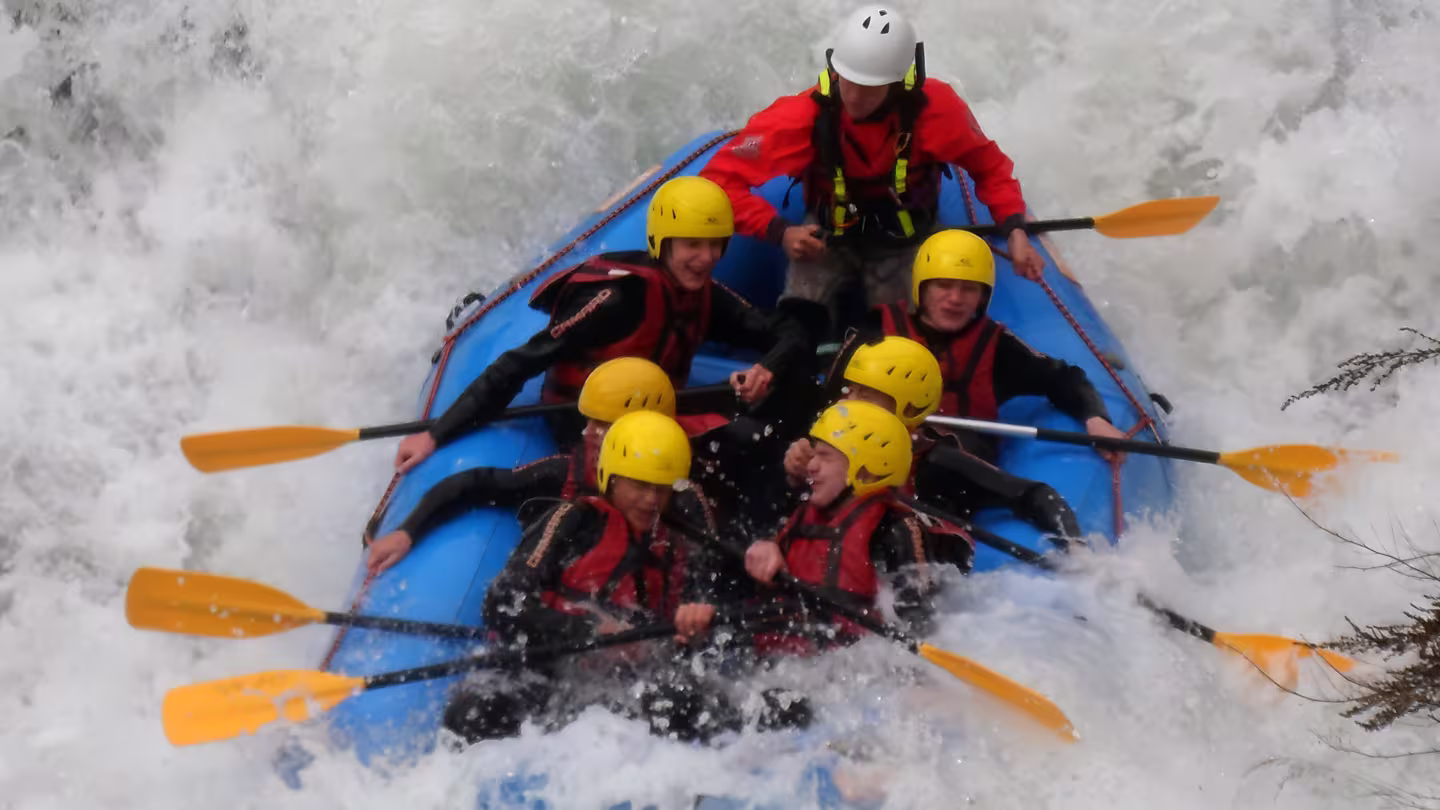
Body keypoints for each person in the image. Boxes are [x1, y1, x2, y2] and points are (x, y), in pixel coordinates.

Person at [394, 176, 814, 473]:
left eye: (714, 246)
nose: (705, 258)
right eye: (691, 245)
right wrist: (435, 434)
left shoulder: (705, 295)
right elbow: (520, 363)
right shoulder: (616, 301)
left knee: (776, 423)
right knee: (749, 444)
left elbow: (786, 333)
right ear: (662, 242)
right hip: (587, 425)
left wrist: (769, 367)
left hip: (654, 414)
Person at [700, 5, 1045, 340]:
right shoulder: (802, 116)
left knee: (897, 341)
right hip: (824, 240)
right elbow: (717, 182)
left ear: (897, 84)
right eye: (847, 80)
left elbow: (991, 170)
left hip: (903, 243)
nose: (852, 94)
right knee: (797, 328)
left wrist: (1014, 228)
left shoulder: (938, 110)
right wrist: (780, 231)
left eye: (867, 86)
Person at [443, 410, 742, 744]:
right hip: (542, 672)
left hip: (624, 688)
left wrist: (693, 631)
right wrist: (589, 633)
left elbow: (696, 635)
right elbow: (500, 602)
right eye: (640, 485)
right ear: (612, 479)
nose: (651, 500)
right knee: (472, 713)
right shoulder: (573, 520)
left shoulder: (681, 544)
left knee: (688, 706)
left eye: (662, 489)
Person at [863, 228, 1128, 537]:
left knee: (935, 469)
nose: (955, 299)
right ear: (921, 288)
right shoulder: (878, 330)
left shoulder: (998, 348)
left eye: (968, 289)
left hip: (952, 466)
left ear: (983, 296)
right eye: (943, 286)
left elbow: (1063, 377)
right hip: (876, 449)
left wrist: (1096, 418)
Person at [366, 357, 723, 576]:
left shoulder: (685, 492)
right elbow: (476, 484)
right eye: (591, 422)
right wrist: (408, 531)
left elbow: (713, 573)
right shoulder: (565, 474)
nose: (590, 433)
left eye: (603, 425)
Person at [743, 401, 967, 652]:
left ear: (866, 471)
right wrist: (768, 546)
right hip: (793, 659)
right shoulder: (806, 514)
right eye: (814, 454)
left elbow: (918, 624)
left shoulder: (893, 531)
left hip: (855, 666)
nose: (811, 465)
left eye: (825, 457)